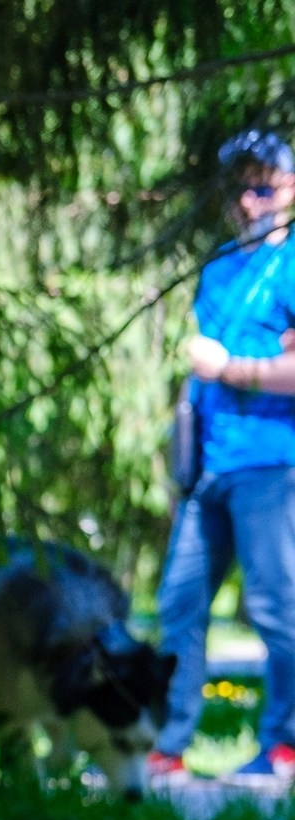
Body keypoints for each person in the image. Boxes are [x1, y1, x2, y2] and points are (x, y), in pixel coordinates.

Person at [150, 129, 295, 782]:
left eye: (263, 184)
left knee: (277, 608)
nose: (248, 198)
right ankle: (167, 744)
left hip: (272, 464)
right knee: (178, 602)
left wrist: (233, 368)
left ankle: (283, 745)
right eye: (240, 185)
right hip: (207, 466)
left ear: (289, 187)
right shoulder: (217, 269)